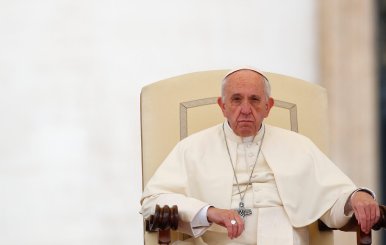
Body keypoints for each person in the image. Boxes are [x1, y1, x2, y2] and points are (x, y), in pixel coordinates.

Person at [140, 67, 380, 245]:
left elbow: (332, 200)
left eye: (255, 100)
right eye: (236, 99)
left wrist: (356, 197)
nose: (246, 109)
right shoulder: (192, 149)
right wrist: (209, 211)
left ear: (268, 106)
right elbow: (152, 201)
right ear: (222, 105)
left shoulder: (298, 146)